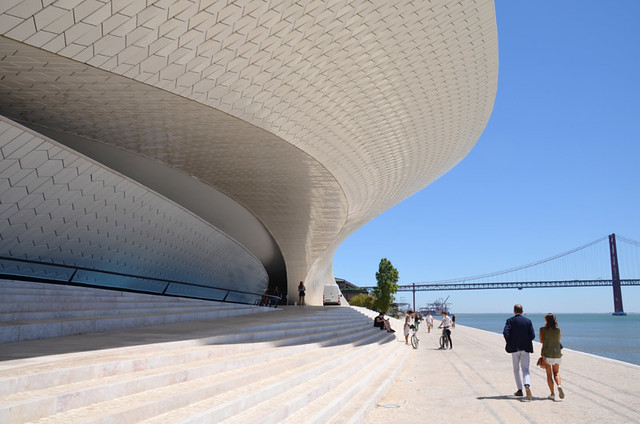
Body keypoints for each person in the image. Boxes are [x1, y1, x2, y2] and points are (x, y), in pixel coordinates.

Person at [503, 304, 535, 401]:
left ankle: (520, 390)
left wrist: (510, 342)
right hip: (525, 348)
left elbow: (505, 332)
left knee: (516, 369)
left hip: (514, 348)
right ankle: (527, 385)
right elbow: (532, 335)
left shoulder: (510, 321)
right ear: (522, 311)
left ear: (514, 311)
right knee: (525, 369)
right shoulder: (528, 321)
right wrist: (526, 340)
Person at [540, 313, 564, 401]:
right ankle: (559, 385)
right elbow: (558, 340)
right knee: (556, 373)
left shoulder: (542, 329)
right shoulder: (558, 330)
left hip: (547, 353)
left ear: (546, 320)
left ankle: (552, 394)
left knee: (549, 375)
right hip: (557, 353)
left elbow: (542, 341)